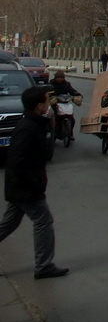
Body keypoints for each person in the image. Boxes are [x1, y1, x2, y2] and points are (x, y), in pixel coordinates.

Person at [0, 85, 70, 279]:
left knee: (8, 225)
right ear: (39, 106)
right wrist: (34, 185)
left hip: (20, 187)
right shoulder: (27, 128)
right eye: (47, 101)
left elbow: (44, 153)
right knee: (43, 221)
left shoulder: (35, 124)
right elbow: (17, 162)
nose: (49, 105)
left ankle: (44, 265)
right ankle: (44, 266)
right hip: (26, 188)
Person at [50, 71, 83, 140]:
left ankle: (70, 134)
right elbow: (48, 93)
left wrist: (77, 94)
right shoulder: (51, 85)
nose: (59, 79)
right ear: (55, 78)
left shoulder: (67, 84)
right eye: (58, 78)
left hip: (65, 104)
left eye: (61, 78)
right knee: (55, 119)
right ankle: (55, 133)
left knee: (72, 120)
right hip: (55, 105)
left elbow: (72, 91)